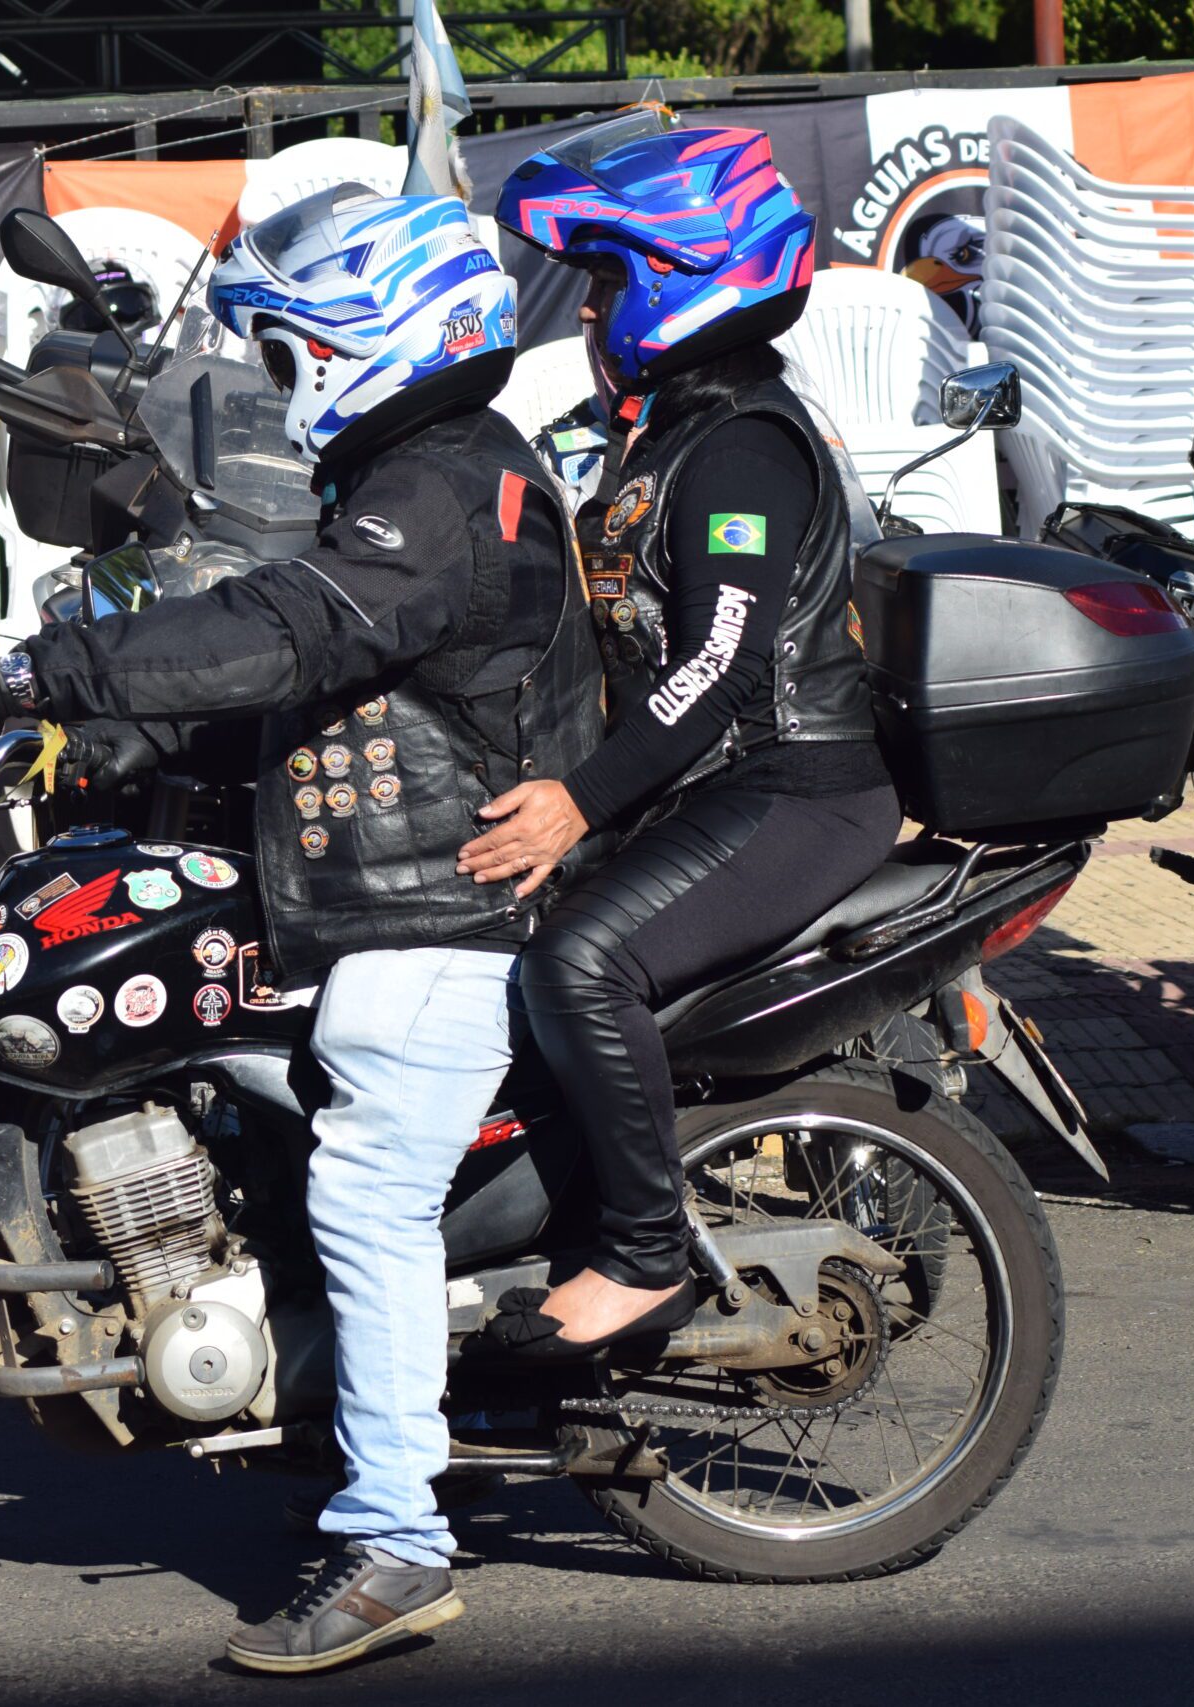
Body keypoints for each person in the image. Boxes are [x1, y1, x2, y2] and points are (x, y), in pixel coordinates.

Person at [0, 185, 601, 1674]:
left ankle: (398, 1534)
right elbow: (330, 677)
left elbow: (292, 628)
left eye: (298, 350)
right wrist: (139, 740)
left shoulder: (434, 489)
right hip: (371, 881)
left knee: (364, 1192)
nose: (284, 384)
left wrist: (63, 673)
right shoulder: (415, 469)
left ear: (382, 334)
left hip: (442, 905)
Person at [466, 118, 902, 1358]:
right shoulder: (670, 432)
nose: (592, 312)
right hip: (708, 786)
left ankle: (646, 1259)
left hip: (793, 787)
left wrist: (575, 804)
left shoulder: (744, 450)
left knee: (578, 965)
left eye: (609, 282)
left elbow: (714, 666)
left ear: (679, 276)